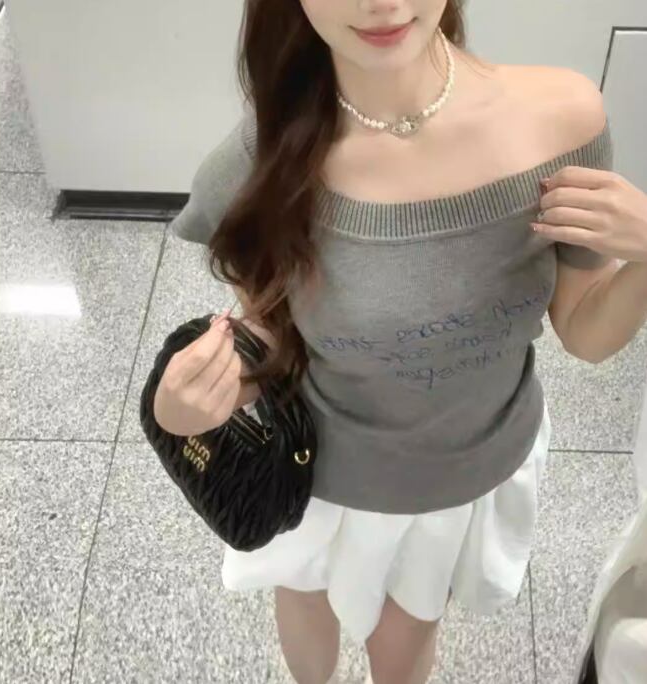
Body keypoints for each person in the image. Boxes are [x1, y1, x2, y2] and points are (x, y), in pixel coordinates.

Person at [160, 1, 619, 682]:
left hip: (467, 469)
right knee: (305, 597)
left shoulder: (561, 122)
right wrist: (187, 411)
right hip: (319, 475)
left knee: (408, 629)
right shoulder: (272, 151)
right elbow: (268, 331)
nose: (378, 3)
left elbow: (585, 330)